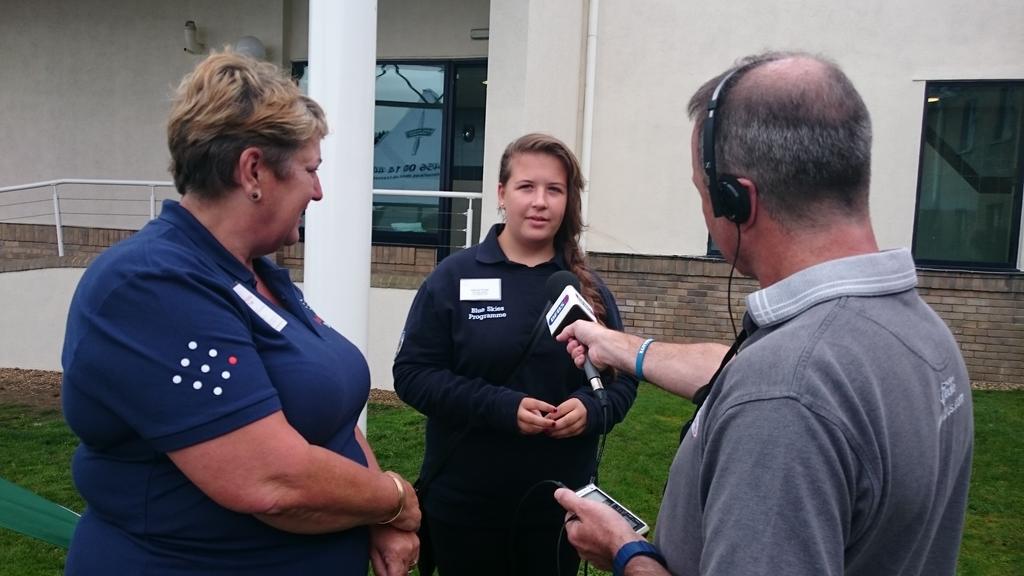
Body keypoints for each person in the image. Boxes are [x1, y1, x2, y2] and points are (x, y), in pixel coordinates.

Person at [553, 51, 974, 576]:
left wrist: (624, 551)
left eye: (702, 191)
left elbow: (777, 391)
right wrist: (620, 346)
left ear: (737, 201)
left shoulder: (784, 393)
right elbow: (746, 377)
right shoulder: (922, 332)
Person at [60, 51, 420, 576]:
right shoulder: (148, 288)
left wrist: (372, 516)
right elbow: (272, 482)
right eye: (310, 171)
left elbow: (329, 412)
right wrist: (394, 499)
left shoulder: (258, 275)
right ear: (253, 170)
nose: (318, 192)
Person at [393, 133, 639, 575]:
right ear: (502, 194)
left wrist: (590, 409)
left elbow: (623, 383)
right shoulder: (454, 277)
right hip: (466, 509)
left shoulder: (586, 288)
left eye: (554, 190)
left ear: (568, 201)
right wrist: (500, 407)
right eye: (527, 187)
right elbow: (412, 374)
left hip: (558, 511)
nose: (540, 202)